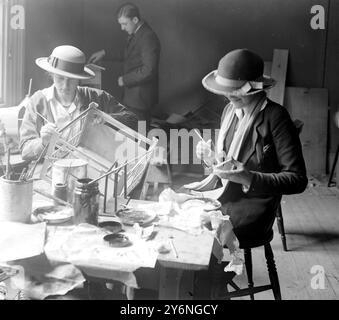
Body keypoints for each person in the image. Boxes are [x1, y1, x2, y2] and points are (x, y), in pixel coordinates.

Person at [185, 49, 308, 248]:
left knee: (205, 230)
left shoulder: (276, 117)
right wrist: (211, 159)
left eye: (237, 92)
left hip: (256, 204)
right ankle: (201, 275)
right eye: (226, 90)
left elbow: (297, 180)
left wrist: (249, 178)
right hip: (227, 194)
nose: (230, 97)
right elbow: (226, 165)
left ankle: (212, 277)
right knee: (182, 214)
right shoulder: (230, 110)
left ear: (256, 89)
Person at [19, 45, 138, 162]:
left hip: (91, 170)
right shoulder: (38, 101)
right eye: (60, 78)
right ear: (51, 74)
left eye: (71, 79)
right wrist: (43, 142)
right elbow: (25, 150)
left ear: (79, 78)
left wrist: (106, 119)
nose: (65, 86)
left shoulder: (96, 97)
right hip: (52, 172)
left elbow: (133, 121)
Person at [89, 3, 161, 126]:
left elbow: (149, 70)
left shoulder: (148, 37)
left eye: (125, 24)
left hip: (141, 99)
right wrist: (104, 53)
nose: (122, 28)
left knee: (140, 135)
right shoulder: (137, 34)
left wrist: (125, 80)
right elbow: (129, 55)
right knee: (133, 133)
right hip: (133, 97)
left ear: (135, 19)